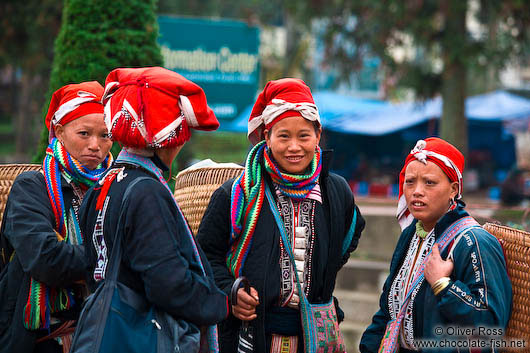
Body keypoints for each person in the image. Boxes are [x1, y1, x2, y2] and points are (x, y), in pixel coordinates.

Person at [197, 78, 366, 352]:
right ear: (267, 137)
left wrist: (319, 272)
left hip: (314, 336)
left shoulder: (336, 191)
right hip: (250, 335)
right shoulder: (238, 194)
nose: (294, 147)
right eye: (283, 136)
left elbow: (348, 236)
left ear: (318, 135)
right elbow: (205, 255)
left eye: (304, 136)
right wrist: (232, 290)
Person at [77, 67, 229, 350]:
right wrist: (218, 303)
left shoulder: (105, 183)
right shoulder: (147, 191)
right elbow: (168, 284)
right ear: (173, 138)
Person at [360, 137, 512, 353]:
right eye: (410, 181)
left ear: (453, 189)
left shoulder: (474, 242)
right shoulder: (412, 234)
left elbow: (490, 325)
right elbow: (388, 309)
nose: (417, 191)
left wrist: (443, 285)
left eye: (429, 182)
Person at [0, 82, 113, 353]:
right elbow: (45, 259)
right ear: (60, 132)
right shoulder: (32, 188)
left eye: (106, 135)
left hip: (103, 333)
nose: (95, 146)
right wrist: (114, 260)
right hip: (38, 339)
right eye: (84, 133)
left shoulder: (117, 187)